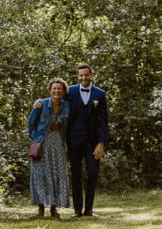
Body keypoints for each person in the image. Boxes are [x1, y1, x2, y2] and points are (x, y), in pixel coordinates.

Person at [39, 64, 108, 216]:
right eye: (81, 75)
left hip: (93, 143)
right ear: (78, 76)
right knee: (76, 174)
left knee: (92, 173)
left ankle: (89, 209)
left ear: (91, 74)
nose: (83, 78)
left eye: (86, 75)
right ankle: (77, 210)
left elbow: (104, 121)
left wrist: (101, 143)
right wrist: (39, 103)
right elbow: (55, 99)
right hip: (74, 140)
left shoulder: (100, 94)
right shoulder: (70, 91)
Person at [28, 78, 72, 218]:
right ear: (50, 90)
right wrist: (36, 138)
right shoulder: (41, 104)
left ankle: (54, 208)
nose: (56, 91)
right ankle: (41, 207)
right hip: (42, 143)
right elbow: (31, 122)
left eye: (59, 88)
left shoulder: (67, 106)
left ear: (64, 91)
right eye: (54, 88)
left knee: (56, 174)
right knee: (40, 173)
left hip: (58, 143)